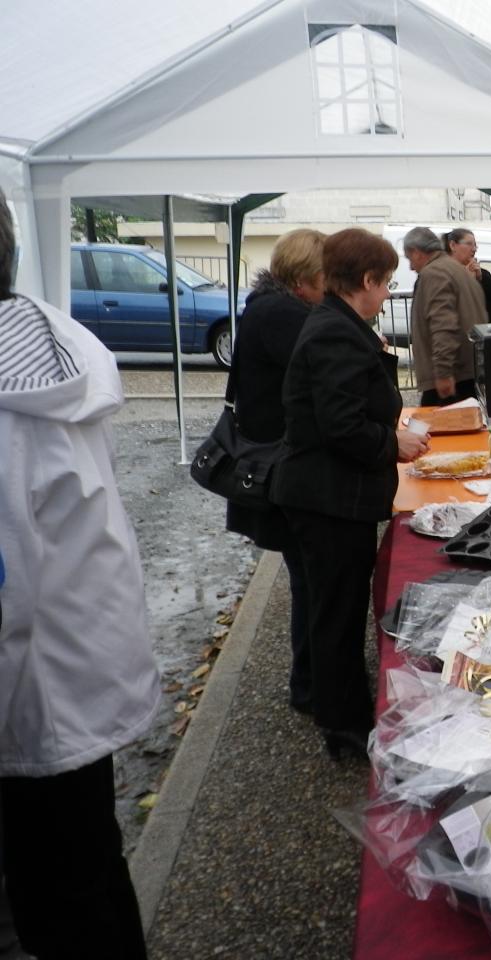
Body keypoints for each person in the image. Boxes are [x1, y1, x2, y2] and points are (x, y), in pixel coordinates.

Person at [0, 188, 159, 958]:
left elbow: (8, 594)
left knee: (62, 897)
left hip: (35, 692)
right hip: (79, 665)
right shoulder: (46, 345)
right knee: (88, 874)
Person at [270, 229, 428, 758]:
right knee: (337, 615)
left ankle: (342, 712)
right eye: (386, 283)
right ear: (366, 280)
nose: (388, 293)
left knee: (336, 608)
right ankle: (344, 727)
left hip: (333, 495)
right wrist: (392, 443)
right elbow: (340, 425)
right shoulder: (334, 332)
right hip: (327, 498)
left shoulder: (338, 324)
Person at [224, 228, 326, 714]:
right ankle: (310, 686)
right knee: (311, 581)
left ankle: (310, 682)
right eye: (326, 276)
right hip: (286, 470)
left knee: (307, 579)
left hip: (279, 465)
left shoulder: (267, 307)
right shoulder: (283, 315)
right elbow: (321, 377)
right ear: (304, 279)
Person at [404, 226, 486, 406]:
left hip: (451, 379)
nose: (411, 266)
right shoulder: (457, 270)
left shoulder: (434, 273)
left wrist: (443, 372)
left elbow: (443, 324)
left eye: (409, 258)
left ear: (416, 252)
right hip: (466, 373)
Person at [443, 228, 491, 325]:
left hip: (485, 331)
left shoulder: (482, 274)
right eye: (469, 244)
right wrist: (466, 281)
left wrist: (482, 279)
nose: (474, 249)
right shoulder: (443, 274)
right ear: (453, 245)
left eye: (475, 245)